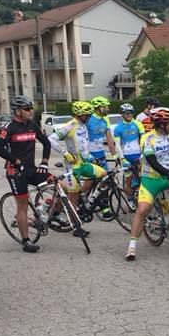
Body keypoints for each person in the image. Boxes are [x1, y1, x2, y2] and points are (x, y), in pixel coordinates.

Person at [125, 108, 169, 261]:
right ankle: (132, 246)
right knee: (143, 209)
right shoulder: (147, 138)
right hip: (151, 179)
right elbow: (152, 162)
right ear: (161, 124)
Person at [0, 95, 52, 253]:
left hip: (31, 169)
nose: (31, 111)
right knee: (22, 205)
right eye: (27, 109)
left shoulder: (32, 125)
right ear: (18, 111)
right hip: (16, 172)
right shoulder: (10, 127)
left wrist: (44, 162)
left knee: (58, 184)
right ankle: (26, 242)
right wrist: (16, 161)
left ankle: (43, 211)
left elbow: (46, 143)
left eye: (31, 108)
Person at [47, 101, 106, 238]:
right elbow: (50, 139)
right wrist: (64, 153)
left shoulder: (83, 126)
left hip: (84, 164)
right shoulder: (69, 126)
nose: (90, 117)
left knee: (105, 175)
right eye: (87, 114)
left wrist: (91, 158)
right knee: (73, 197)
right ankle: (76, 227)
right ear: (80, 115)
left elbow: (83, 148)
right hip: (72, 166)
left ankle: (89, 200)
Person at [112, 103, 144, 194]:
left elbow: (143, 139)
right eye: (127, 113)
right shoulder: (118, 128)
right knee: (128, 180)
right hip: (126, 156)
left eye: (131, 112)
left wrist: (143, 153)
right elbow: (117, 145)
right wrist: (122, 159)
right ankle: (130, 198)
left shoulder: (138, 124)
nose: (129, 115)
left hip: (138, 154)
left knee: (142, 178)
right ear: (122, 114)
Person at [87, 96, 117, 166]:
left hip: (101, 153)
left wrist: (114, 155)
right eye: (106, 107)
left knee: (106, 175)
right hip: (89, 154)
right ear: (100, 108)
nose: (108, 109)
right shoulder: (88, 120)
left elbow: (109, 139)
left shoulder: (105, 120)